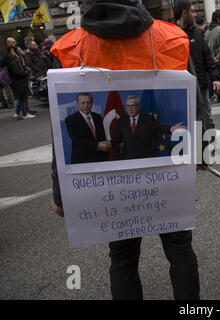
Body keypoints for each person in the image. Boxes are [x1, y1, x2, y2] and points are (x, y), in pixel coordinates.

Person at [50, 0, 200, 300]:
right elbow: (195, 101)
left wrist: (59, 192)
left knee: (121, 257)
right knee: (179, 248)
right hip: (167, 174)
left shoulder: (71, 46)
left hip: (114, 185)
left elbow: (54, 133)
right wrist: (200, 151)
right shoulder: (172, 38)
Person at [174, 0, 220, 133]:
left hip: (200, 85)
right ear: (184, 13)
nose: (195, 14)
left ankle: (210, 144)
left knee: (207, 117)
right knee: (188, 118)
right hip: (181, 87)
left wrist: (215, 78)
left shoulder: (197, 33)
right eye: (192, 11)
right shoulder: (171, 34)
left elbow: (207, 58)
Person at [108, 95, 185, 159]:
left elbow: (159, 127)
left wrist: (171, 129)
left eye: (133, 106)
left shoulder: (148, 119)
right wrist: (109, 144)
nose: (130, 109)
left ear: (139, 107)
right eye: (127, 106)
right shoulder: (121, 121)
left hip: (146, 159)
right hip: (128, 160)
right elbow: (116, 139)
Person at [64, 93, 109, 164]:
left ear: (92, 103)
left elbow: (102, 137)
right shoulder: (70, 120)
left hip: (100, 159)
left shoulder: (98, 117)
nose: (86, 106)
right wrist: (97, 145)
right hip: (82, 160)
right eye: (83, 103)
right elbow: (77, 140)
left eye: (88, 103)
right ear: (77, 104)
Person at [4, 47, 34, 119]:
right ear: (10, 53)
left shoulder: (11, 61)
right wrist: (24, 73)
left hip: (16, 81)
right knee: (22, 98)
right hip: (18, 81)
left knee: (21, 98)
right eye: (12, 51)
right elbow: (16, 72)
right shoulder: (13, 61)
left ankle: (17, 113)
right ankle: (25, 114)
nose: (14, 52)